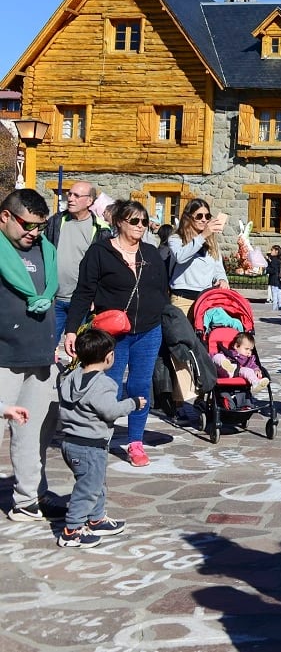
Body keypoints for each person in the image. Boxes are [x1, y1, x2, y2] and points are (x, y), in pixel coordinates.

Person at [66, 200, 170, 468]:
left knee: (139, 385)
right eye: (135, 221)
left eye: (144, 222)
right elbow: (83, 292)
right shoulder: (100, 252)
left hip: (148, 331)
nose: (140, 227)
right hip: (111, 334)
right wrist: (70, 331)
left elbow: (161, 290)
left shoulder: (150, 253)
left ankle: (135, 442)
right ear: (120, 222)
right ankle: (100, 437)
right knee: (107, 387)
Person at [0, 188, 65, 520]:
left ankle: (29, 498)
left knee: (34, 434)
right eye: (28, 225)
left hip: (40, 358)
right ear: (5, 217)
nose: (34, 233)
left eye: (40, 226)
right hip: (2, 360)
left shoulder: (47, 251)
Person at [55, 328, 142, 548]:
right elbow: (110, 411)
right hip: (90, 446)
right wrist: (133, 403)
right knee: (87, 489)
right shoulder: (104, 384)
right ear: (108, 357)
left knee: (95, 484)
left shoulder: (71, 377)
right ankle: (71, 531)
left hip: (71, 443)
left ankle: (96, 519)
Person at [45, 181, 103, 344]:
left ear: (89, 201)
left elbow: (103, 268)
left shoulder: (100, 229)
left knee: (81, 352)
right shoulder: (55, 222)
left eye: (76, 195)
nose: (70, 198)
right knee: (46, 347)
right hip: (54, 298)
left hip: (83, 302)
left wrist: (96, 297)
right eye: (69, 194)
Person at [167, 198, 229, 317]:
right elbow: (180, 257)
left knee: (202, 335)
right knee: (183, 335)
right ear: (189, 217)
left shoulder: (212, 242)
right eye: (199, 216)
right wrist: (203, 236)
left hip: (205, 299)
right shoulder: (176, 239)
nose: (204, 219)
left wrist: (222, 279)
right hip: (182, 299)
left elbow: (218, 268)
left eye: (207, 216)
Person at [265, 245, 281, 311]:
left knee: (274, 294)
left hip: (274, 279)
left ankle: (274, 307)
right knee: (279, 293)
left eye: (272, 250)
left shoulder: (274, 259)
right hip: (279, 279)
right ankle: (280, 305)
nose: (271, 252)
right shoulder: (280, 259)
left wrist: (267, 269)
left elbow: (273, 269)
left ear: (276, 251)